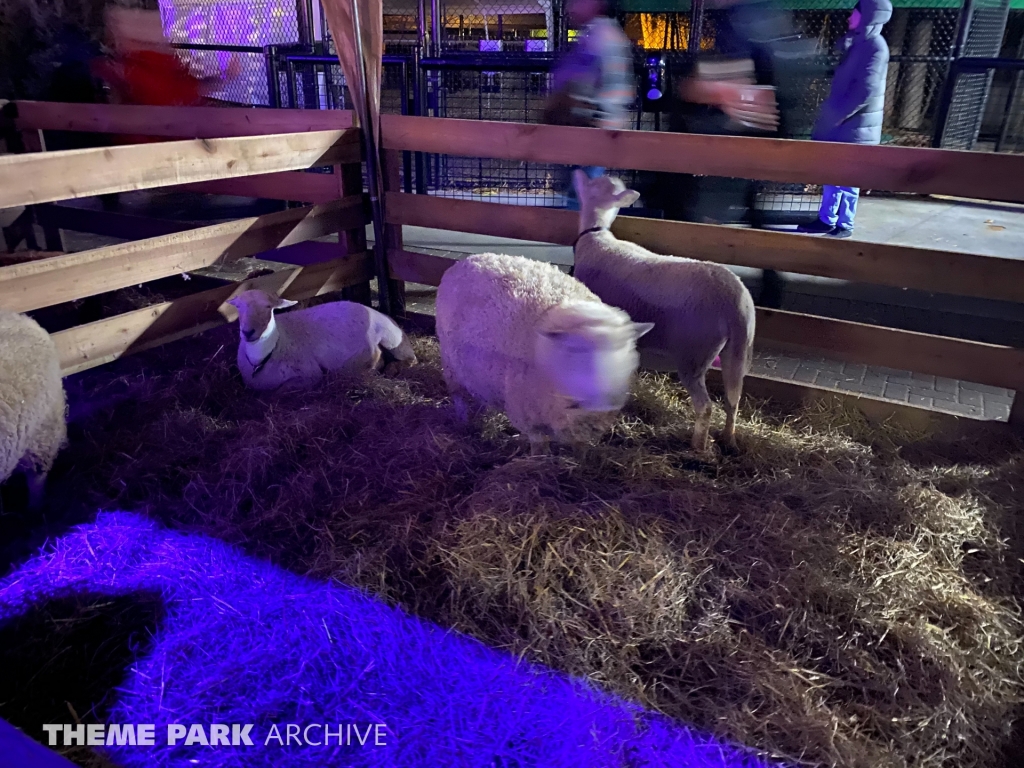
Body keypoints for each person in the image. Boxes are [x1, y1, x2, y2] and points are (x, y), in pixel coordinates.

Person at [799, 0, 892, 238]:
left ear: (869, 16)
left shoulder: (875, 47)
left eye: (856, 12)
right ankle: (827, 219)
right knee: (833, 174)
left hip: (855, 127)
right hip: (846, 125)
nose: (851, 16)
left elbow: (866, 90)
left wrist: (836, 116)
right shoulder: (860, 44)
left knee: (848, 178)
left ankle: (845, 223)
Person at [543, 0, 635, 210]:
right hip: (599, 125)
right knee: (582, 187)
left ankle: (583, 236)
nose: (570, 8)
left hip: (592, 126)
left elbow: (577, 83)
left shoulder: (597, 37)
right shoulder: (607, 33)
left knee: (582, 191)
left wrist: (559, 104)